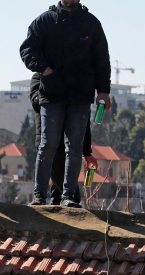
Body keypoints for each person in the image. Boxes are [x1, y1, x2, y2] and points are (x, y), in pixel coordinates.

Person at [20, 0, 111, 208]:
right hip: (51, 96)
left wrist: (103, 91)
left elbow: (102, 60)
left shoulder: (91, 23)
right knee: (47, 146)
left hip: (80, 97)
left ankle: (68, 197)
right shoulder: (45, 21)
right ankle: (39, 196)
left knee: (75, 148)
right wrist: (44, 68)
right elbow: (27, 49)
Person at [30, 73, 97, 205]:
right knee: (70, 193)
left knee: (58, 193)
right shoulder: (39, 77)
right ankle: (42, 197)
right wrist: (52, 96)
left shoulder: (71, 80)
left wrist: (87, 153)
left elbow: (84, 124)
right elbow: (36, 102)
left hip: (69, 144)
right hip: (49, 144)